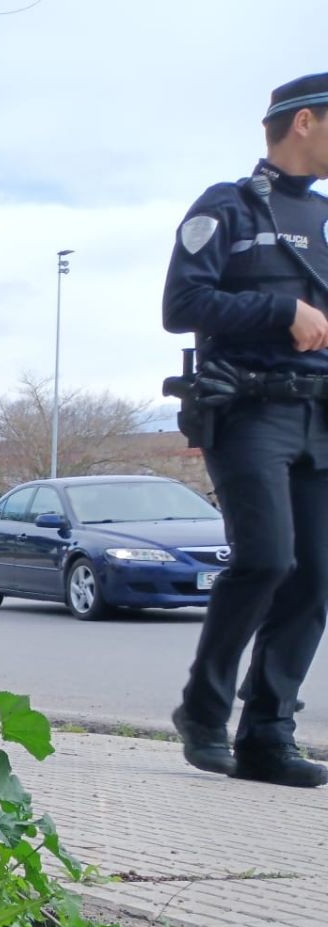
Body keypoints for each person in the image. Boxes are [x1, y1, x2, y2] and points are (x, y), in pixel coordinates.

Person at [166, 73, 328, 787]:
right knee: (266, 560)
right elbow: (181, 304)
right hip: (250, 411)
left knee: (316, 576)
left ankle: (267, 735)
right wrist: (280, 311)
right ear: (304, 122)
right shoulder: (226, 207)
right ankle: (202, 713)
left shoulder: (325, 218)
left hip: (320, 415)